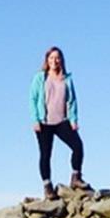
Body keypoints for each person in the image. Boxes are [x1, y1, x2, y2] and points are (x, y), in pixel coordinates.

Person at [31, 46, 87, 199]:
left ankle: (76, 177)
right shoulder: (40, 78)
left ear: (61, 60)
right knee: (45, 155)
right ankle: (47, 186)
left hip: (62, 121)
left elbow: (72, 101)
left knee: (78, 146)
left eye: (57, 58)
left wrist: (74, 120)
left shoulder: (67, 79)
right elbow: (33, 99)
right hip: (44, 122)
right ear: (47, 61)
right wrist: (35, 119)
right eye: (51, 58)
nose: (54, 61)